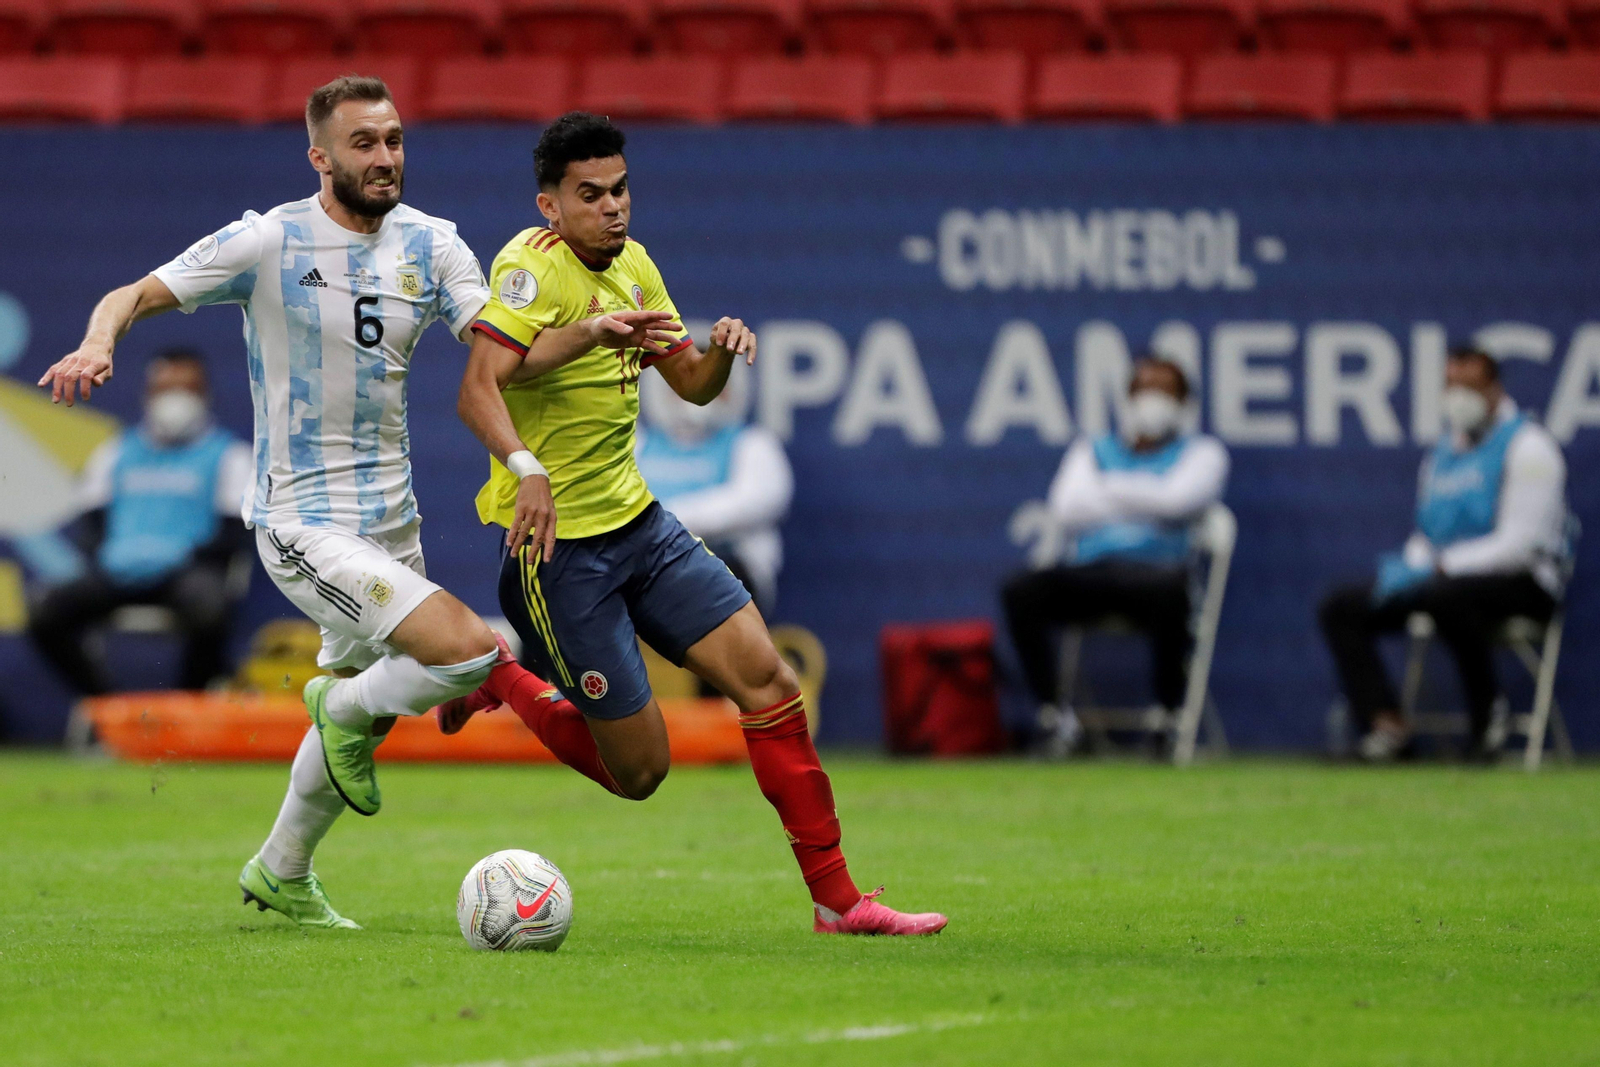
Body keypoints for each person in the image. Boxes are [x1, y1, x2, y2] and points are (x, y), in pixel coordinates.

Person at [36, 76, 635, 931]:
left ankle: (283, 868)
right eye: (364, 143)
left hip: (392, 523)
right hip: (299, 521)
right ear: (320, 156)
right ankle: (340, 706)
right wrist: (98, 342)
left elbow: (507, 356)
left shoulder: (433, 245)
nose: (386, 157)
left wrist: (588, 332)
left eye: (393, 139)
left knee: (375, 696)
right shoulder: (268, 240)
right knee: (465, 652)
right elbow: (131, 294)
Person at [451, 112, 946, 936]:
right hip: (557, 556)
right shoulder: (529, 273)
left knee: (769, 681)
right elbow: (478, 389)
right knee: (641, 771)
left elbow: (690, 385)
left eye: (619, 190)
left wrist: (718, 349)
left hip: (642, 527)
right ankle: (502, 672)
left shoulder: (636, 265)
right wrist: (530, 461)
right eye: (589, 195)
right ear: (551, 207)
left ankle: (839, 901)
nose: (612, 208)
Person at [1319, 346, 1569, 761]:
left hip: (1525, 584)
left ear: (1494, 390)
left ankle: (1488, 720)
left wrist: (1440, 567)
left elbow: (1520, 544)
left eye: (1468, 386)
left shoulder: (1530, 447)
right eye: (1450, 385)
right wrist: (1413, 564)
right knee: (1342, 607)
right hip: (1444, 579)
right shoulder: (1443, 454)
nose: (1457, 396)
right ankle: (1387, 729)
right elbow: (1428, 532)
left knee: (1445, 596)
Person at [1001, 357, 1229, 751]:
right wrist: (1149, 494)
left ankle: (1168, 718)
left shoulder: (1204, 453)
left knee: (1172, 593)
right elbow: (1067, 507)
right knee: (1020, 590)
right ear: (1127, 397)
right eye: (1143, 389)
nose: (1151, 399)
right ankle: (1057, 719)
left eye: (1164, 390)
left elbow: (1178, 502)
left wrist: (1107, 490)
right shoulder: (1092, 448)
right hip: (1092, 573)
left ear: (1182, 402)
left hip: (1156, 575)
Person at [26, 347, 251, 694]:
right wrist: (121, 557)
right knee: (46, 610)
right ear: (148, 393)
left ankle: (186, 708)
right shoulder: (116, 452)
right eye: (165, 389)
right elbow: (93, 526)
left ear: (204, 393)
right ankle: (105, 705)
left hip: (186, 574)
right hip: (117, 572)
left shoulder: (230, 456)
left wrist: (176, 557)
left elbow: (232, 535)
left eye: (186, 389)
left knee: (211, 608)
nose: (175, 399)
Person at [636, 368, 793, 612]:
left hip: (729, 570)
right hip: (645, 568)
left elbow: (754, 502)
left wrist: (664, 520)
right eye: (684, 387)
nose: (696, 398)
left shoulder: (751, 442)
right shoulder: (639, 445)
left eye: (711, 387)